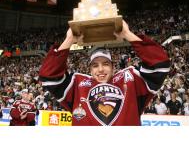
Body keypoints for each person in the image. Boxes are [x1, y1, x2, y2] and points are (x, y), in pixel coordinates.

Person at [39, 20, 170, 126]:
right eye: (95, 65)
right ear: (90, 70)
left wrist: (127, 34)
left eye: (105, 64)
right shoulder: (77, 83)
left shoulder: (130, 78)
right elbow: (48, 76)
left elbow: (160, 65)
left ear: (113, 67)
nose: (100, 69)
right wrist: (69, 40)